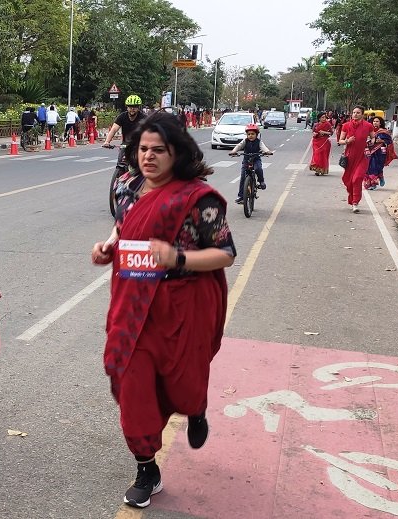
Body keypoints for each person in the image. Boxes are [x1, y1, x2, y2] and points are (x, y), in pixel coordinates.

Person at [91, 112, 235, 509]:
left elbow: (225, 254)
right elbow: (124, 228)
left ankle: (196, 408)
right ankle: (146, 466)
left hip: (183, 304)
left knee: (183, 383)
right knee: (132, 385)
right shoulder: (126, 187)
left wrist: (178, 257)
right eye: (143, 149)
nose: (148, 157)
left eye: (159, 150)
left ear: (178, 153)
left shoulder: (197, 198)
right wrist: (107, 246)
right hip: (133, 304)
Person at [338, 105, 374, 213]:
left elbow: (373, 137)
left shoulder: (368, 126)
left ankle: (355, 203)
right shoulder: (346, 126)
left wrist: (372, 141)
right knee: (349, 181)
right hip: (350, 157)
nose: (355, 114)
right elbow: (340, 140)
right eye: (354, 112)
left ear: (362, 114)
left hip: (362, 157)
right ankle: (352, 198)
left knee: (357, 178)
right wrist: (347, 141)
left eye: (358, 113)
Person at [229, 123, 272, 204]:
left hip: (256, 159)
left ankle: (261, 181)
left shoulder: (259, 142)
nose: (250, 136)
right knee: (242, 177)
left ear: (257, 134)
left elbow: (263, 147)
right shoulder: (245, 141)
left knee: (258, 168)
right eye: (249, 134)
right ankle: (241, 196)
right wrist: (233, 151)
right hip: (246, 160)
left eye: (253, 134)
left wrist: (267, 152)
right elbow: (238, 146)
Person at [363, 116, 398, 190]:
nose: (375, 123)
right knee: (369, 167)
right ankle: (370, 182)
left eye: (377, 121)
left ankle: (374, 182)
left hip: (380, 153)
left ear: (380, 123)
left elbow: (389, 141)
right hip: (369, 152)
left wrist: (382, 141)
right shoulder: (369, 131)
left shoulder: (383, 132)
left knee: (376, 167)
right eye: (374, 121)